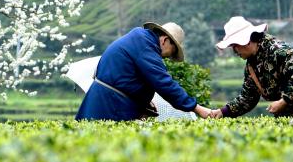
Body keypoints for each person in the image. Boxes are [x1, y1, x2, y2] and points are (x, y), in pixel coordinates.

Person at [75, 21, 211, 121]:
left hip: (106, 100)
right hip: (109, 105)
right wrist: (197, 108)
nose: (169, 57)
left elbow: (128, 77)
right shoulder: (145, 47)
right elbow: (164, 83)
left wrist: (143, 101)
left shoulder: (141, 40)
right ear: (165, 40)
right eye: (173, 51)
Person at [200, 16, 293, 119]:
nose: (234, 51)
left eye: (235, 46)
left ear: (246, 41)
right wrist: (222, 112)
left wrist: (284, 101)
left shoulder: (279, 51)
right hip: (288, 118)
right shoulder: (252, 65)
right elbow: (247, 98)